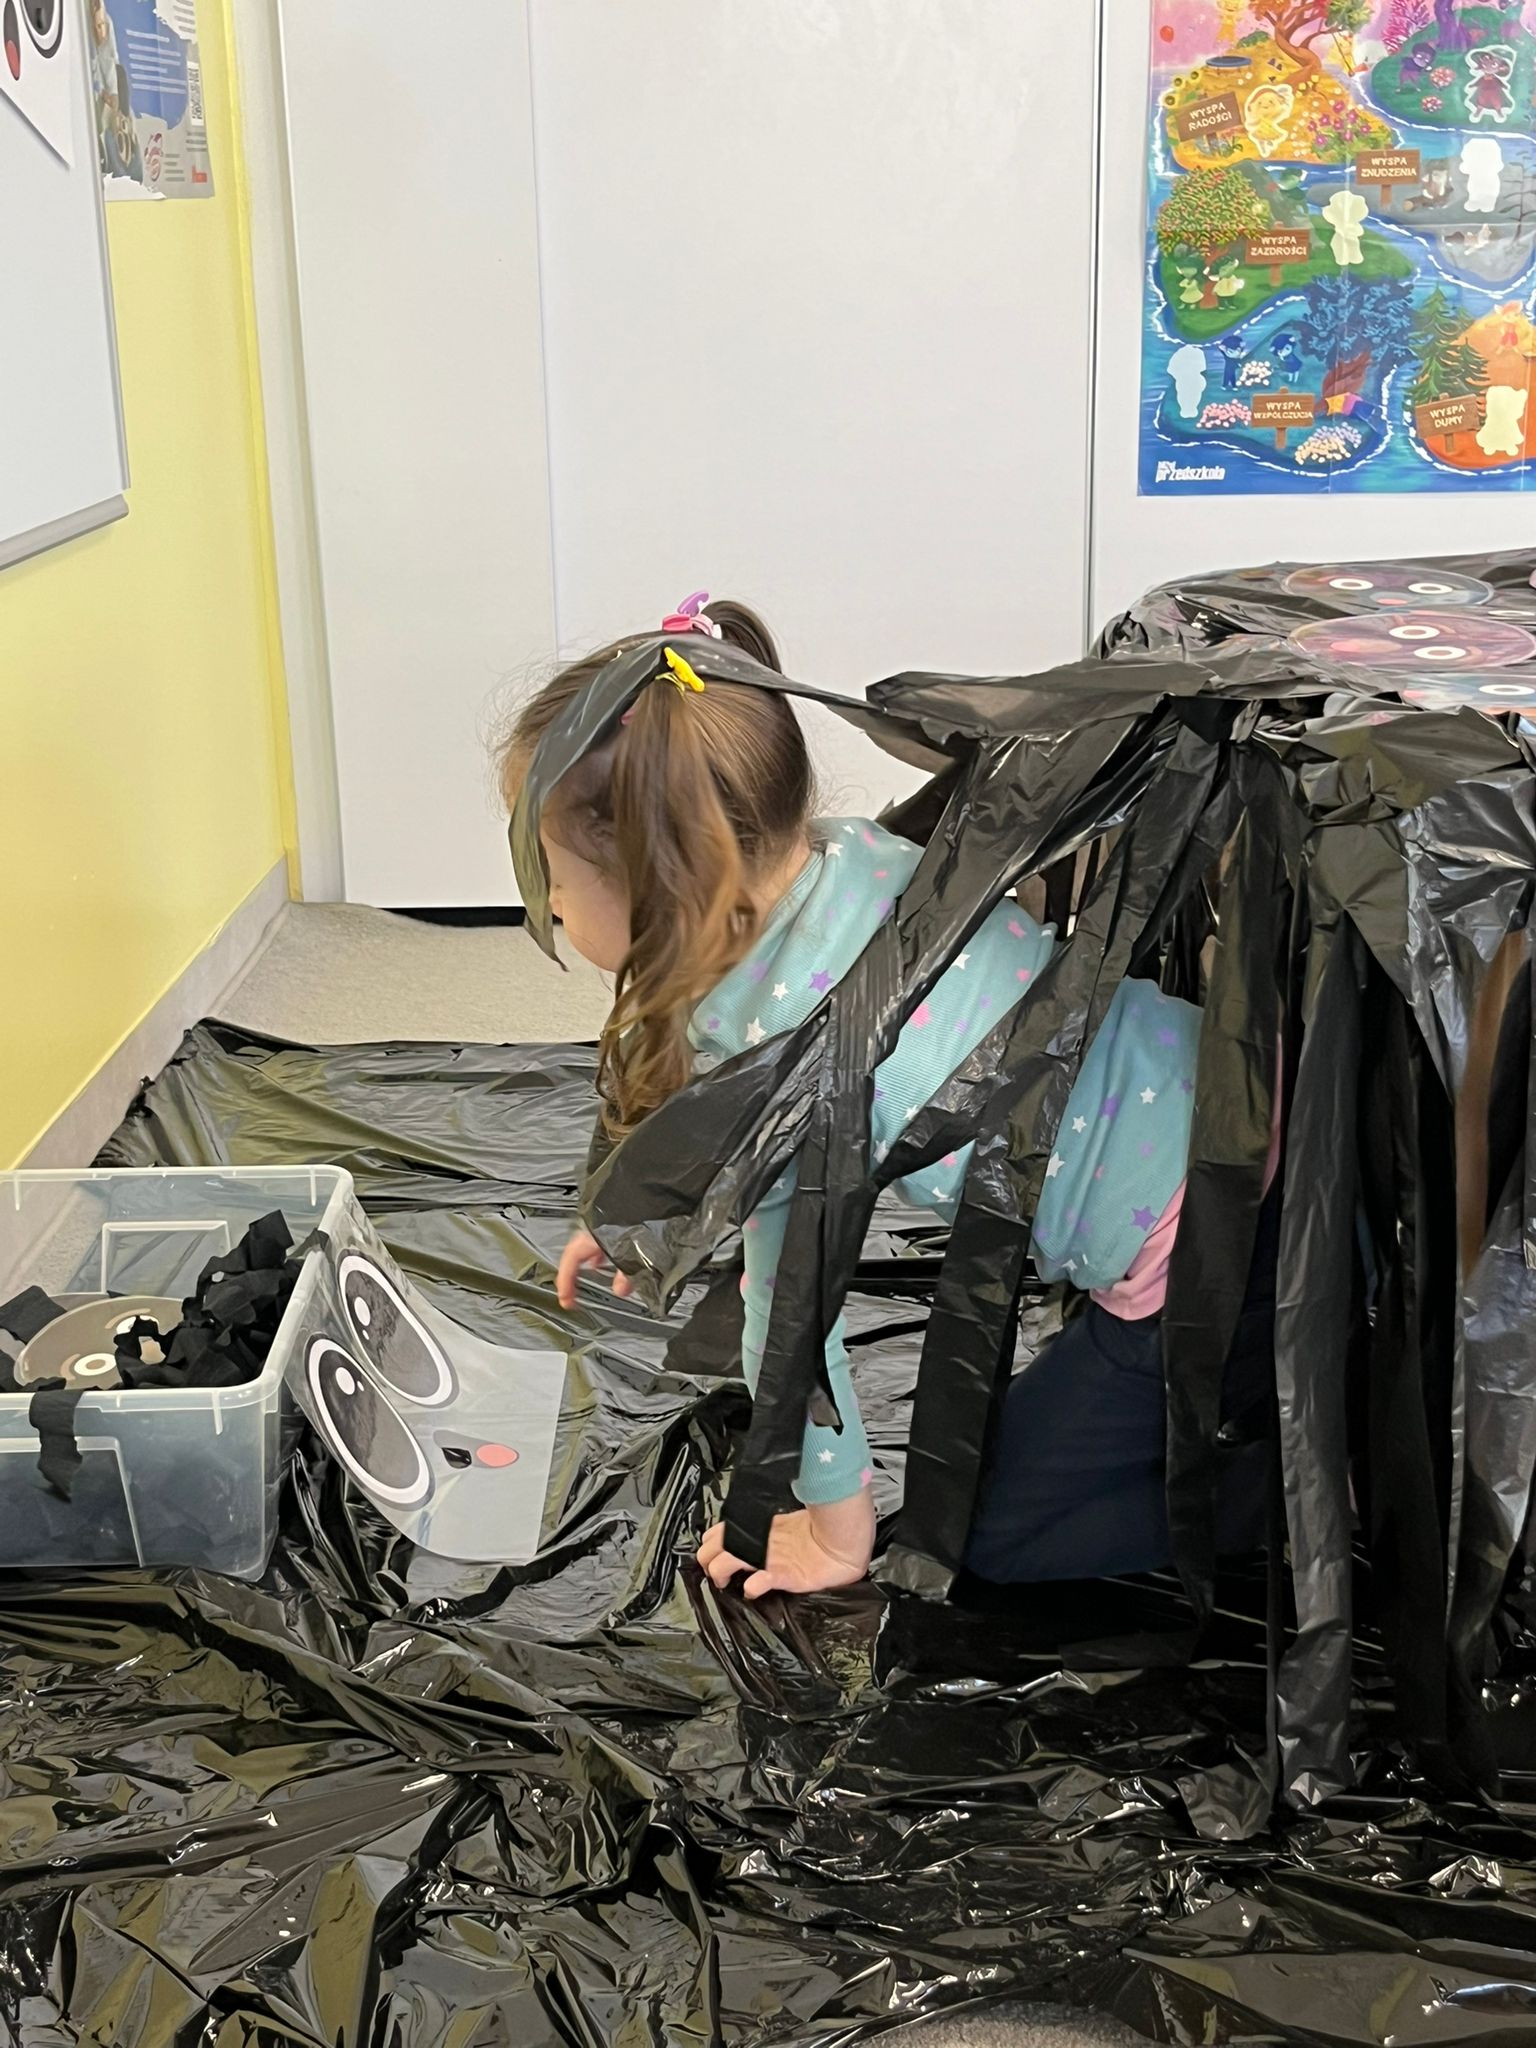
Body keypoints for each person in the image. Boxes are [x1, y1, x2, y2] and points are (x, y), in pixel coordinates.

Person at [499, 599, 1278, 1599]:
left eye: (552, 877)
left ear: (668, 880)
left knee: (987, 1533)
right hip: (1251, 1094)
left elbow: (792, 1325)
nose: (549, 905)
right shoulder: (848, 855)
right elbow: (710, 1107)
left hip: (1214, 1254)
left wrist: (836, 1528)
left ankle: (1311, 1486)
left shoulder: (802, 1071)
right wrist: (641, 1213)